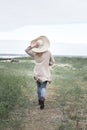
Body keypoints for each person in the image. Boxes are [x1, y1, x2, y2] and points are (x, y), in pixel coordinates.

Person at [25, 36, 55, 110]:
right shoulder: (48, 52)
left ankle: (39, 100)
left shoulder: (35, 53)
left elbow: (26, 50)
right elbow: (52, 62)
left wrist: (32, 46)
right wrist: (47, 64)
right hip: (45, 72)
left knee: (38, 87)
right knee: (43, 87)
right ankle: (42, 99)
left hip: (37, 72)